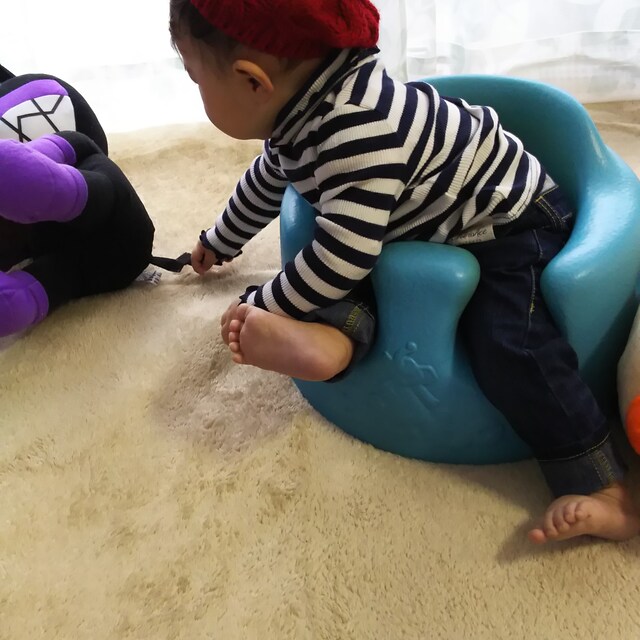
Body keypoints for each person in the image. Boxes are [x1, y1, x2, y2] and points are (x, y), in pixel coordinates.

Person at [169, 0, 640, 544]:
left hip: (508, 225)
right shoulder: (305, 110)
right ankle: (332, 342)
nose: (195, 90)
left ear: (254, 81)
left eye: (195, 78)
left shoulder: (356, 134)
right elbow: (269, 179)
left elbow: (341, 260)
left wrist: (264, 301)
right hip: (408, 223)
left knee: (511, 341)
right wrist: (219, 240)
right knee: (342, 260)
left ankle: (604, 485)